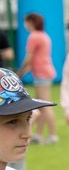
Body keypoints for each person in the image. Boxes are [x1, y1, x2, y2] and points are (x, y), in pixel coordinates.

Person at [16, 13, 58, 144]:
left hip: (41, 73)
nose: (25, 25)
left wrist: (19, 73)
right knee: (40, 106)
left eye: (26, 22)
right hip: (45, 71)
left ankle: (53, 136)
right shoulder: (44, 36)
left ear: (31, 23)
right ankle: (38, 135)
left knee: (45, 106)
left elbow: (29, 58)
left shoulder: (33, 36)